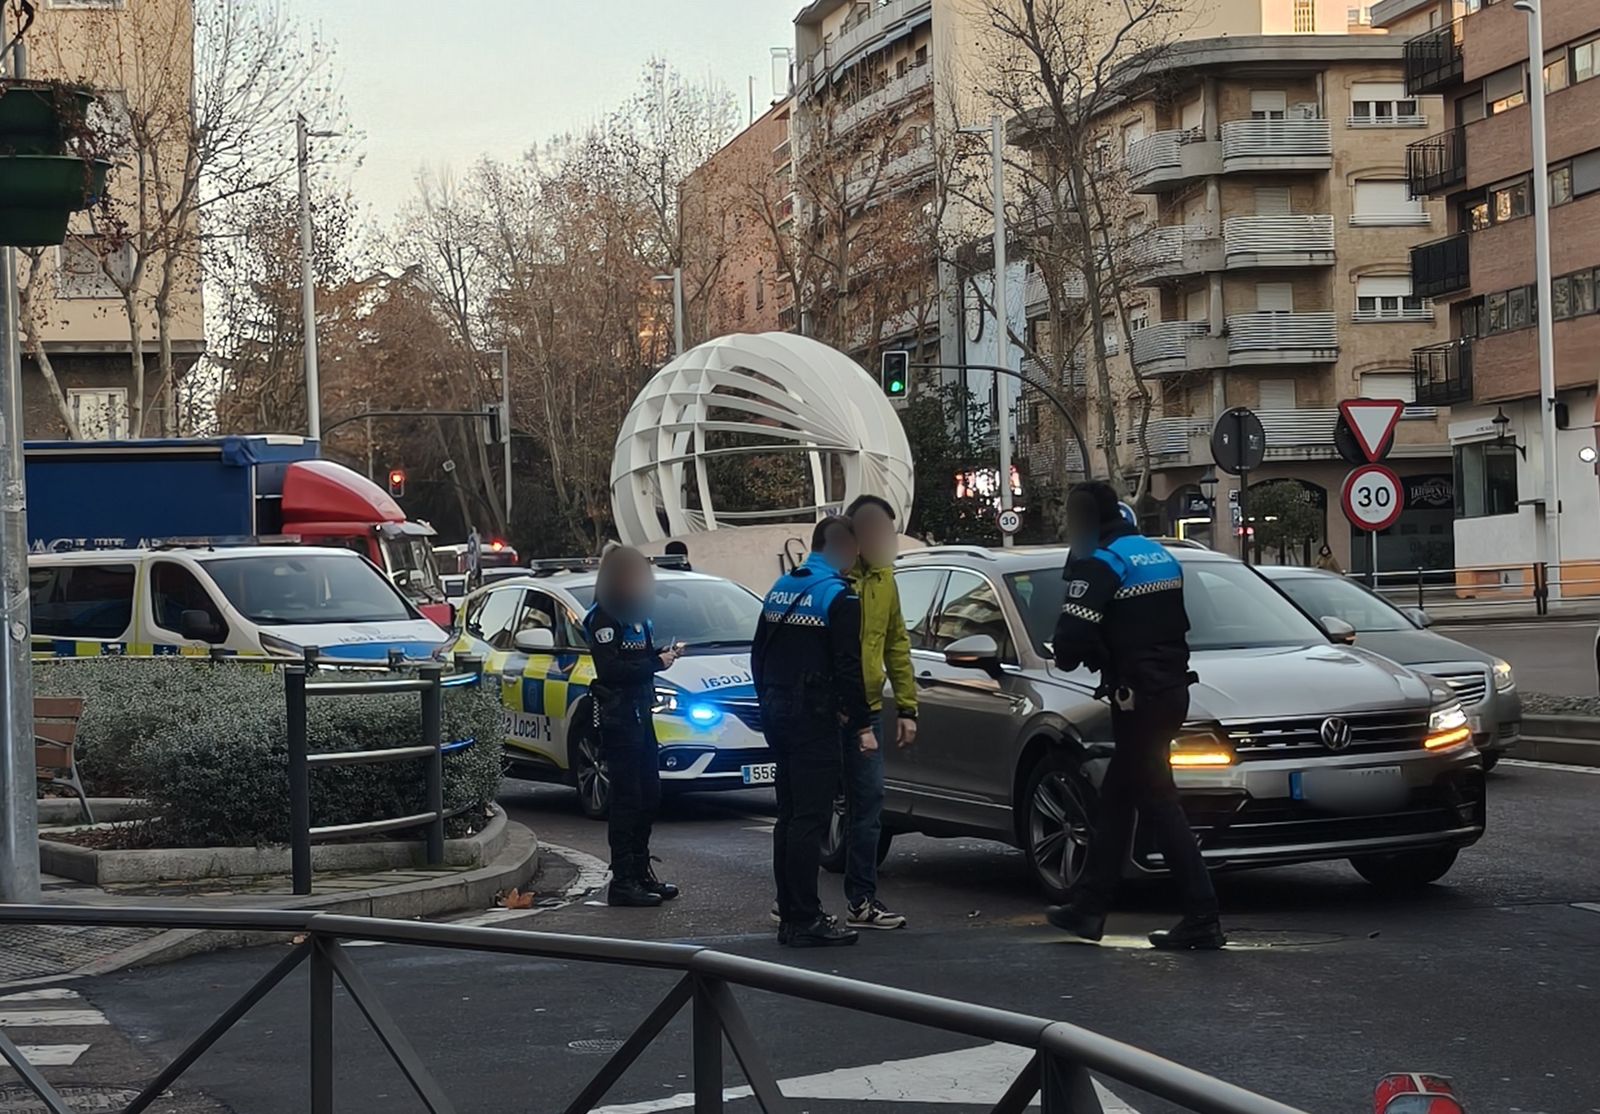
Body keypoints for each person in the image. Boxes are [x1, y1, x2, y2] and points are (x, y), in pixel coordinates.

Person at [1046, 482, 1225, 951]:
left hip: (1137, 698)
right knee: (1117, 799)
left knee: (1158, 800)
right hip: (1171, 690)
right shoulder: (1160, 556)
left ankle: (1203, 914)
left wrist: (1079, 648)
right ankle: (1089, 908)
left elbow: (1069, 643)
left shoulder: (1103, 561)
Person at [753, 516, 874, 947]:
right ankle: (805, 919)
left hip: (778, 713)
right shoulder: (839, 596)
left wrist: (767, 700)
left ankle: (790, 912)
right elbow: (848, 667)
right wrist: (861, 724)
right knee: (811, 818)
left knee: (788, 816)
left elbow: (759, 653)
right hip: (814, 718)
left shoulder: (781, 587)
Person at [583, 546, 683, 908]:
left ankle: (641, 872)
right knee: (627, 799)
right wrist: (657, 663)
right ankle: (623, 881)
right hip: (619, 717)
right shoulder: (604, 618)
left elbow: (640, 658)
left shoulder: (639, 616)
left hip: (642, 714)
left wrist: (663, 656)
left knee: (649, 795)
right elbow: (611, 669)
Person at [840, 494, 917, 930]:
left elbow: (896, 643)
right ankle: (793, 902)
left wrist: (907, 707)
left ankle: (861, 901)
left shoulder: (886, 579)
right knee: (810, 809)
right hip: (827, 712)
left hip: (868, 710)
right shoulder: (833, 577)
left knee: (868, 805)